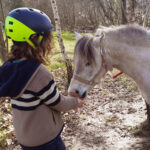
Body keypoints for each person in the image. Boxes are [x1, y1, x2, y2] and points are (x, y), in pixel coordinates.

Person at [0, 7, 83, 150]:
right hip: (46, 141)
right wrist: (76, 101)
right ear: (34, 39)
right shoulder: (39, 74)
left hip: (25, 139)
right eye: (46, 38)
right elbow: (58, 103)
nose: (49, 43)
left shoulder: (9, 67)